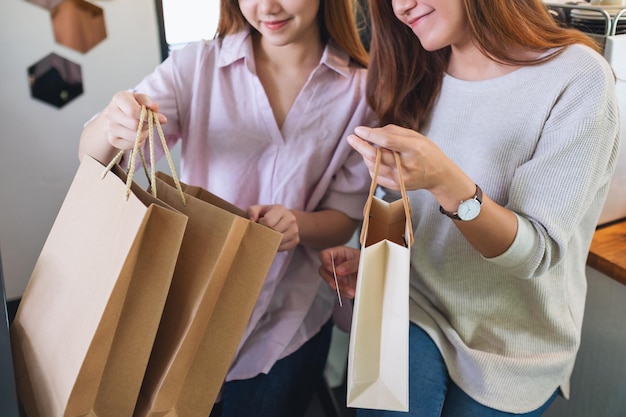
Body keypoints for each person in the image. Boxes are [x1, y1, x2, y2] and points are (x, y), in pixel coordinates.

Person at [319, 1, 621, 416]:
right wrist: (376, 263)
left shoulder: (577, 77)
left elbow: (535, 254)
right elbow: (412, 215)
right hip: (416, 305)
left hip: (512, 344)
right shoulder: (414, 68)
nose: (402, 7)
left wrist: (446, 180)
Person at [78, 1, 376, 416]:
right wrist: (114, 123)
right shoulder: (196, 66)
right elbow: (96, 157)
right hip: (191, 303)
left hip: (288, 317)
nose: (267, 7)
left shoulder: (363, 92)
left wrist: (298, 225)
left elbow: (343, 219)